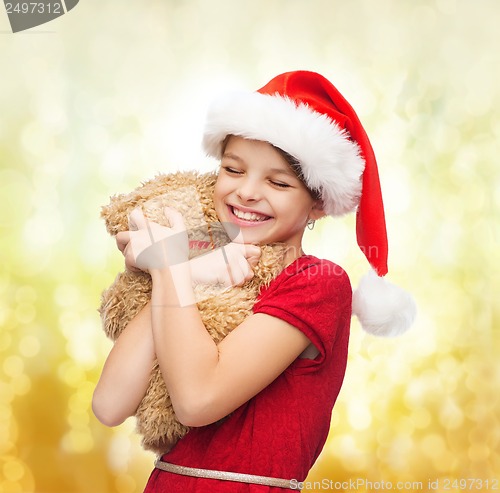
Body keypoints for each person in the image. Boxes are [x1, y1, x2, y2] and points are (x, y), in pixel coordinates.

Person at [92, 71, 415, 492]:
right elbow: (109, 404)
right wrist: (187, 270)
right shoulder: (202, 262)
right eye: (232, 169)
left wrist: (172, 268)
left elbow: (197, 400)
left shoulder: (318, 283)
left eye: (278, 182)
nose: (246, 192)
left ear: (316, 203)